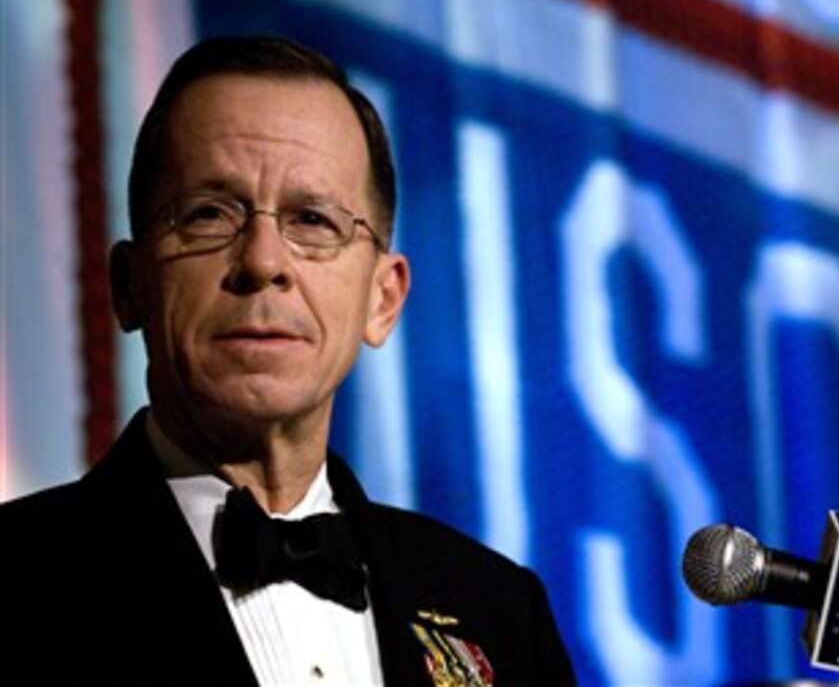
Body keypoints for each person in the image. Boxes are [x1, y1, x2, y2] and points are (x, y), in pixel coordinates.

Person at [0, 36, 575, 686]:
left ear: (382, 300)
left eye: (313, 220)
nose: (263, 262)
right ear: (129, 285)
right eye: (209, 214)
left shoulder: (498, 612)